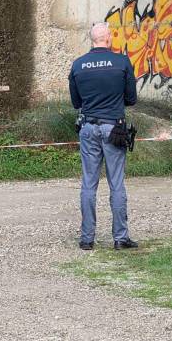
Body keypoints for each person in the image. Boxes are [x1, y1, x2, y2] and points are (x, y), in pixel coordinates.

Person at [69, 22, 138, 251]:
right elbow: (131, 99)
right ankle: (120, 238)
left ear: (92, 40)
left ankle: (87, 238)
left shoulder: (78, 65)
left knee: (89, 183)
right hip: (114, 128)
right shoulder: (122, 62)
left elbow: (76, 102)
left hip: (88, 128)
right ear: (108, 38)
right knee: (116, 183)